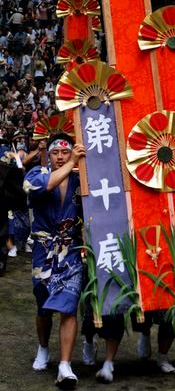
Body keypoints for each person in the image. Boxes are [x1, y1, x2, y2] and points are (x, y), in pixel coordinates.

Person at [23, 133, 86, 389]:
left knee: (69, 305)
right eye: (56, 153)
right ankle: (43, 346)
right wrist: (73, 163)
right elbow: (43, 187)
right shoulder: (36, 174)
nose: (60, 157)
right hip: (43, 249)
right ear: (48, 155)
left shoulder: (81, 179)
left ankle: (65, 365)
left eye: (65, 152)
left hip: (70, 250)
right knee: (43, 306)